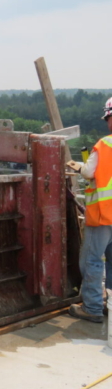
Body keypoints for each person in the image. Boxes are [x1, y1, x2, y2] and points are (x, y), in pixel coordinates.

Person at [67, 97, 112, 322]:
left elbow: (88, 172)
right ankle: (110, 307)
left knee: (92, 261)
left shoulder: (105, 144)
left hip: (104, 215)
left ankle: (93, 308)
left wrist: (79, 166)